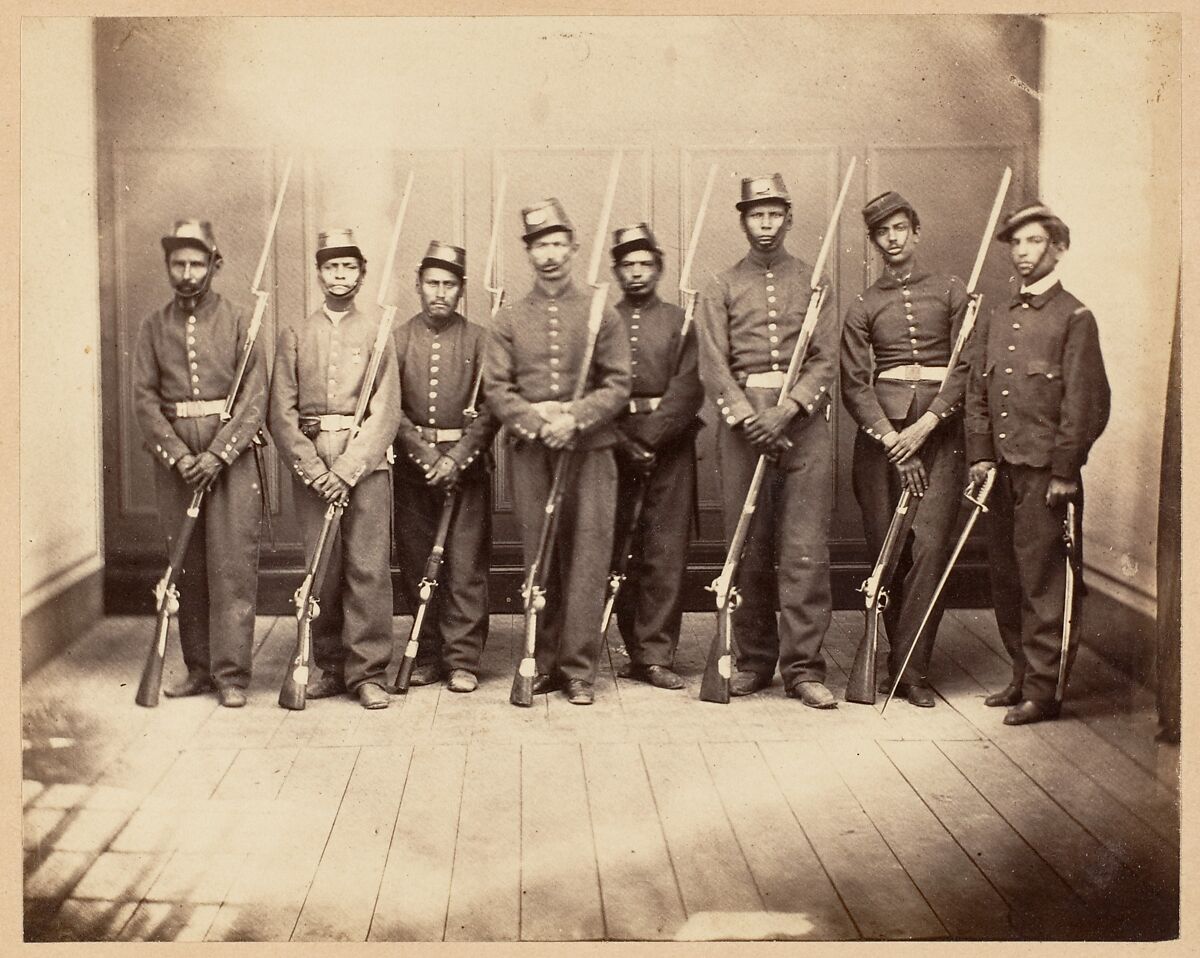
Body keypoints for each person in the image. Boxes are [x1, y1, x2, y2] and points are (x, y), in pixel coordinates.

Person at [695, 174, 839, 708]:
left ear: (789, 217)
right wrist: (745, 415)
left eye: (775, 214)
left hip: (801, 424)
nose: (766, 224)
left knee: (804, 550)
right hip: (742, 430)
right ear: (742, 220)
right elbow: (713, 363)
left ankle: (804, 668)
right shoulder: (721, 285)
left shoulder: (814, 281)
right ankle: (753, 661)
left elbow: (825, 357)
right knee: (749, 547)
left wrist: (789, 408)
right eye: (756, 215)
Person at [966, 203, 1110, 725]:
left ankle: (1044, 691)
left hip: (1046, 477)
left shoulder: (1074, 317)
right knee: (1006, 577)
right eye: (1017, 244)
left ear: (1058, 249)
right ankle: (1021, 675)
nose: (1023, 253)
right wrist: (981, 455)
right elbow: (978, 390)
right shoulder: (999, 315)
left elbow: (1086, 404)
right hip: (1001, 471)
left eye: (1033, 242)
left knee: (1044, 581)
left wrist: (1065, 472)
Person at [483, 198, 631, 706]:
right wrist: (537, 422)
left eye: (556, 243)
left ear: (572, 247)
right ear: (528, 253)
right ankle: (541, 660)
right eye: (539, 245)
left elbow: (618, 384)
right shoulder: (507, 319)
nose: (549, 255)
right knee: (539, 556)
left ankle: (580, 669)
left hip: (590, 450)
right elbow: (497, 389)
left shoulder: (599, 310)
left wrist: (576, 418)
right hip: (532, 452)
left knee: (588, 557)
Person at [840, 191, 970, 708]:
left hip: (942, 436)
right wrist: (895, 438)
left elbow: (965, 365)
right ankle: (893, 652)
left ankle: (911, 669)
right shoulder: (863, 304)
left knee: (931, 550)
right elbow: (854, 383)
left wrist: (930, 422)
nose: (892, 239)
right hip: (882, 444)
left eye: (900, 229)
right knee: (888, 553)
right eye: (882, 232)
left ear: (915, 232)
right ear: (873, 242)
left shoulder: (952, 290)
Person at [132, 220, 267, 709]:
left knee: (231, 566)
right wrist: (181, 456)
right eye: (177, 264)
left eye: (196, 263)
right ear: (169, 267)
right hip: (177, 464)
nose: (187, 273)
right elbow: (145, 402)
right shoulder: (152, 326)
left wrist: (216, 454)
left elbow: (254, 400)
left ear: (215, 264)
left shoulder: (239, 322)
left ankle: (233, 674)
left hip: (230, 461)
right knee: (186, 565)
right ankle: (199, 669)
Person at [268, 228, 402, 710]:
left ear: (362, 274)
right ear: (319, 273)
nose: (340, 275)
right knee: (321, 567)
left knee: (367, 567)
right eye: (331, 266)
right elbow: (280, 413)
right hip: (312, 459)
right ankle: (325, 665)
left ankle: (368, 673)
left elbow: (386, 411)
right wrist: (311, 466)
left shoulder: (379, 333)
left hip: (364, 464)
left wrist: (347, 468)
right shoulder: (295, 334)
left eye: (349, 267)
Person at [391, 241, 497, 692]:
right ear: (417, 285)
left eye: (449, 285)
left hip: (466, 469)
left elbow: (494, 408)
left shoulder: (481, 340)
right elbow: (388, 408)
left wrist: (457, 458)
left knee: (466, 565)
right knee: (419, 562)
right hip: (415, 470)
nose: (439, 292)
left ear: (461, 289)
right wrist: (425, 455)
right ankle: (428, 652)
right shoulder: (397, 340)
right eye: (432, 283)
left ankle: (463, 659)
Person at [607, 224, 703, 690]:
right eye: (628, 265)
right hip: (614, 445)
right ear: (616, 271)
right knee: (622, 547)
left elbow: (689, 388)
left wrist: (651, 437)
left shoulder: (680, 321)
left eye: (645, 264)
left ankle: (657, 654)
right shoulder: (602, 322)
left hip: (670, 447)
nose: (637, 272)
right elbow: (592, 388)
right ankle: (632, 647)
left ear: (659, 268)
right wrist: (624, 440)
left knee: (665, 551)